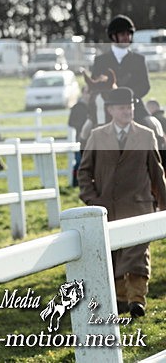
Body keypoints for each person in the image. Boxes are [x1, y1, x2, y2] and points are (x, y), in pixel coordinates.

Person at [77, 87, 166, 318]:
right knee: (114, 254)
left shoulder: (146, 134)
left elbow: (156, 172)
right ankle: (120, 297)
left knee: (138, 254)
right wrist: (92, 199)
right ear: (110, 110)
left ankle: (137, 299)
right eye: (122, 108)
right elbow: (84, 171)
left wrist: (163, 203)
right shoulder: (97, 136)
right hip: (108, 206)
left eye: (130, 107)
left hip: (139, 206)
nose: (127, 111)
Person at [91, 14, 150, 122]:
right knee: (86, 129)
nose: (126, 37)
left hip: (134, 106)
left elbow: (145, 86)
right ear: (113, 36)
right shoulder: (100, 61)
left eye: (129, 34)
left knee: (153, 125)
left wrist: (127, 97)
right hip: (107, 108)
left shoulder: (139, 59)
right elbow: (94, 86)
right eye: (123, 34)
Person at [68, 86, 91, 187]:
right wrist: (83, 124)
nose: (88, 95)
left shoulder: (94, 106)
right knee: (79, 161)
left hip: (93, 138)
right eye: (87, 92)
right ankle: (75, 182)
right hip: (81, 137)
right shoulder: (78, 107)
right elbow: (71, 122)